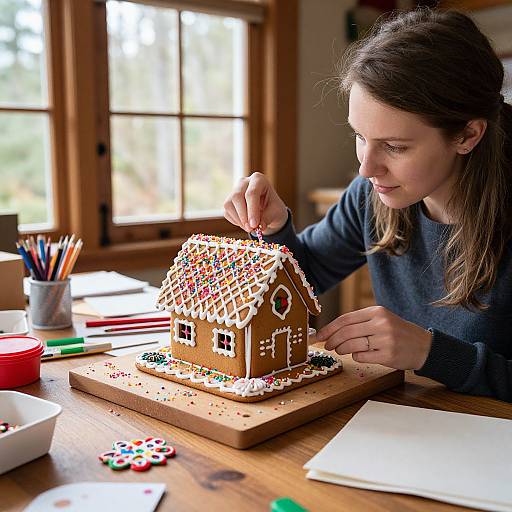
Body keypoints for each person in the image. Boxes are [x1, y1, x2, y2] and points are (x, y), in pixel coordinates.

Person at [223, 7, 512, 402]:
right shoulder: (371, 195)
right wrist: (276, 228)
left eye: (395, 146)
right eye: (360, 136)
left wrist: (430, 352)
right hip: (415, 422)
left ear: (467, 135)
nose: (366, 168)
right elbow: (303, 278)